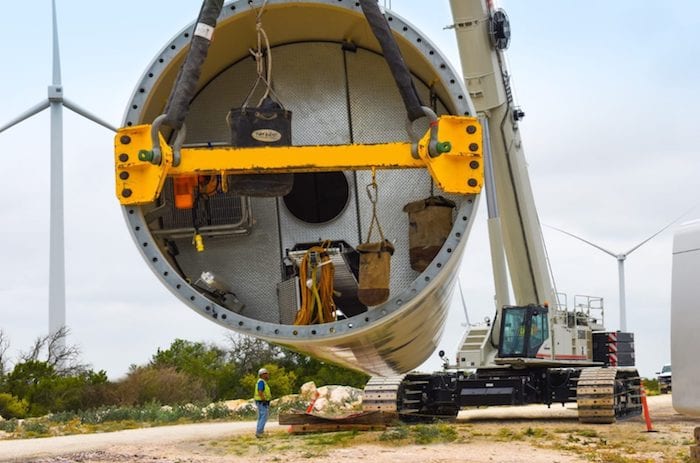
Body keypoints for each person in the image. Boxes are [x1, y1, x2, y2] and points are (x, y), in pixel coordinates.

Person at [254, 367, 271, 438]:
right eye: (266, 374)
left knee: (261, 417)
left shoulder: (262, 382)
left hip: (261, 401)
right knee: (263, 417)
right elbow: (260, 392)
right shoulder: (261, 382)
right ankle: (259, 432)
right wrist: (264, 400)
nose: (267, 375)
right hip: (262, 402)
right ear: (262, 375)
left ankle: (259, 431)